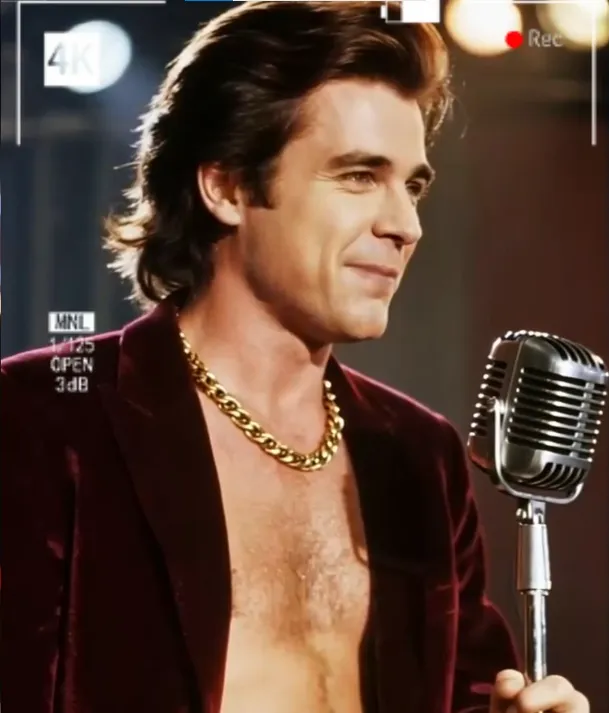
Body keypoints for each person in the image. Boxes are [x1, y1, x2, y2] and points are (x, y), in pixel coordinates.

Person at [0, 3, 590, 713]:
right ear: (226, 186)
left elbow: (461, 689)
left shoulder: (419, 457)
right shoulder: (41, 419)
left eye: (412, 185)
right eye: (358, 176)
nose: (404, 224)